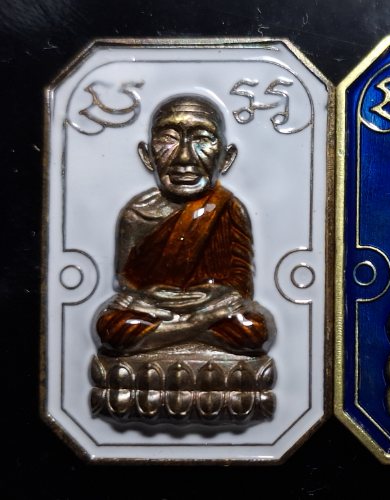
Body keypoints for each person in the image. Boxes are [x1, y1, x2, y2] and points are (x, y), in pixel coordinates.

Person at [95, 95, 275, 356]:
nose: (184, 157)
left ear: (226, 158)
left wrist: (208, 297)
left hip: (211, 306)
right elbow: (126, 281)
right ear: (147, 156)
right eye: (168, 139)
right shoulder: (136, 214)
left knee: (254, 328)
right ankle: (193, 329)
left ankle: (170, 334)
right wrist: (155, 298)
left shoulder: (227, 207)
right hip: (158, 309)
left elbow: (241, 287)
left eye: (202, 138)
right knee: (112, 328)